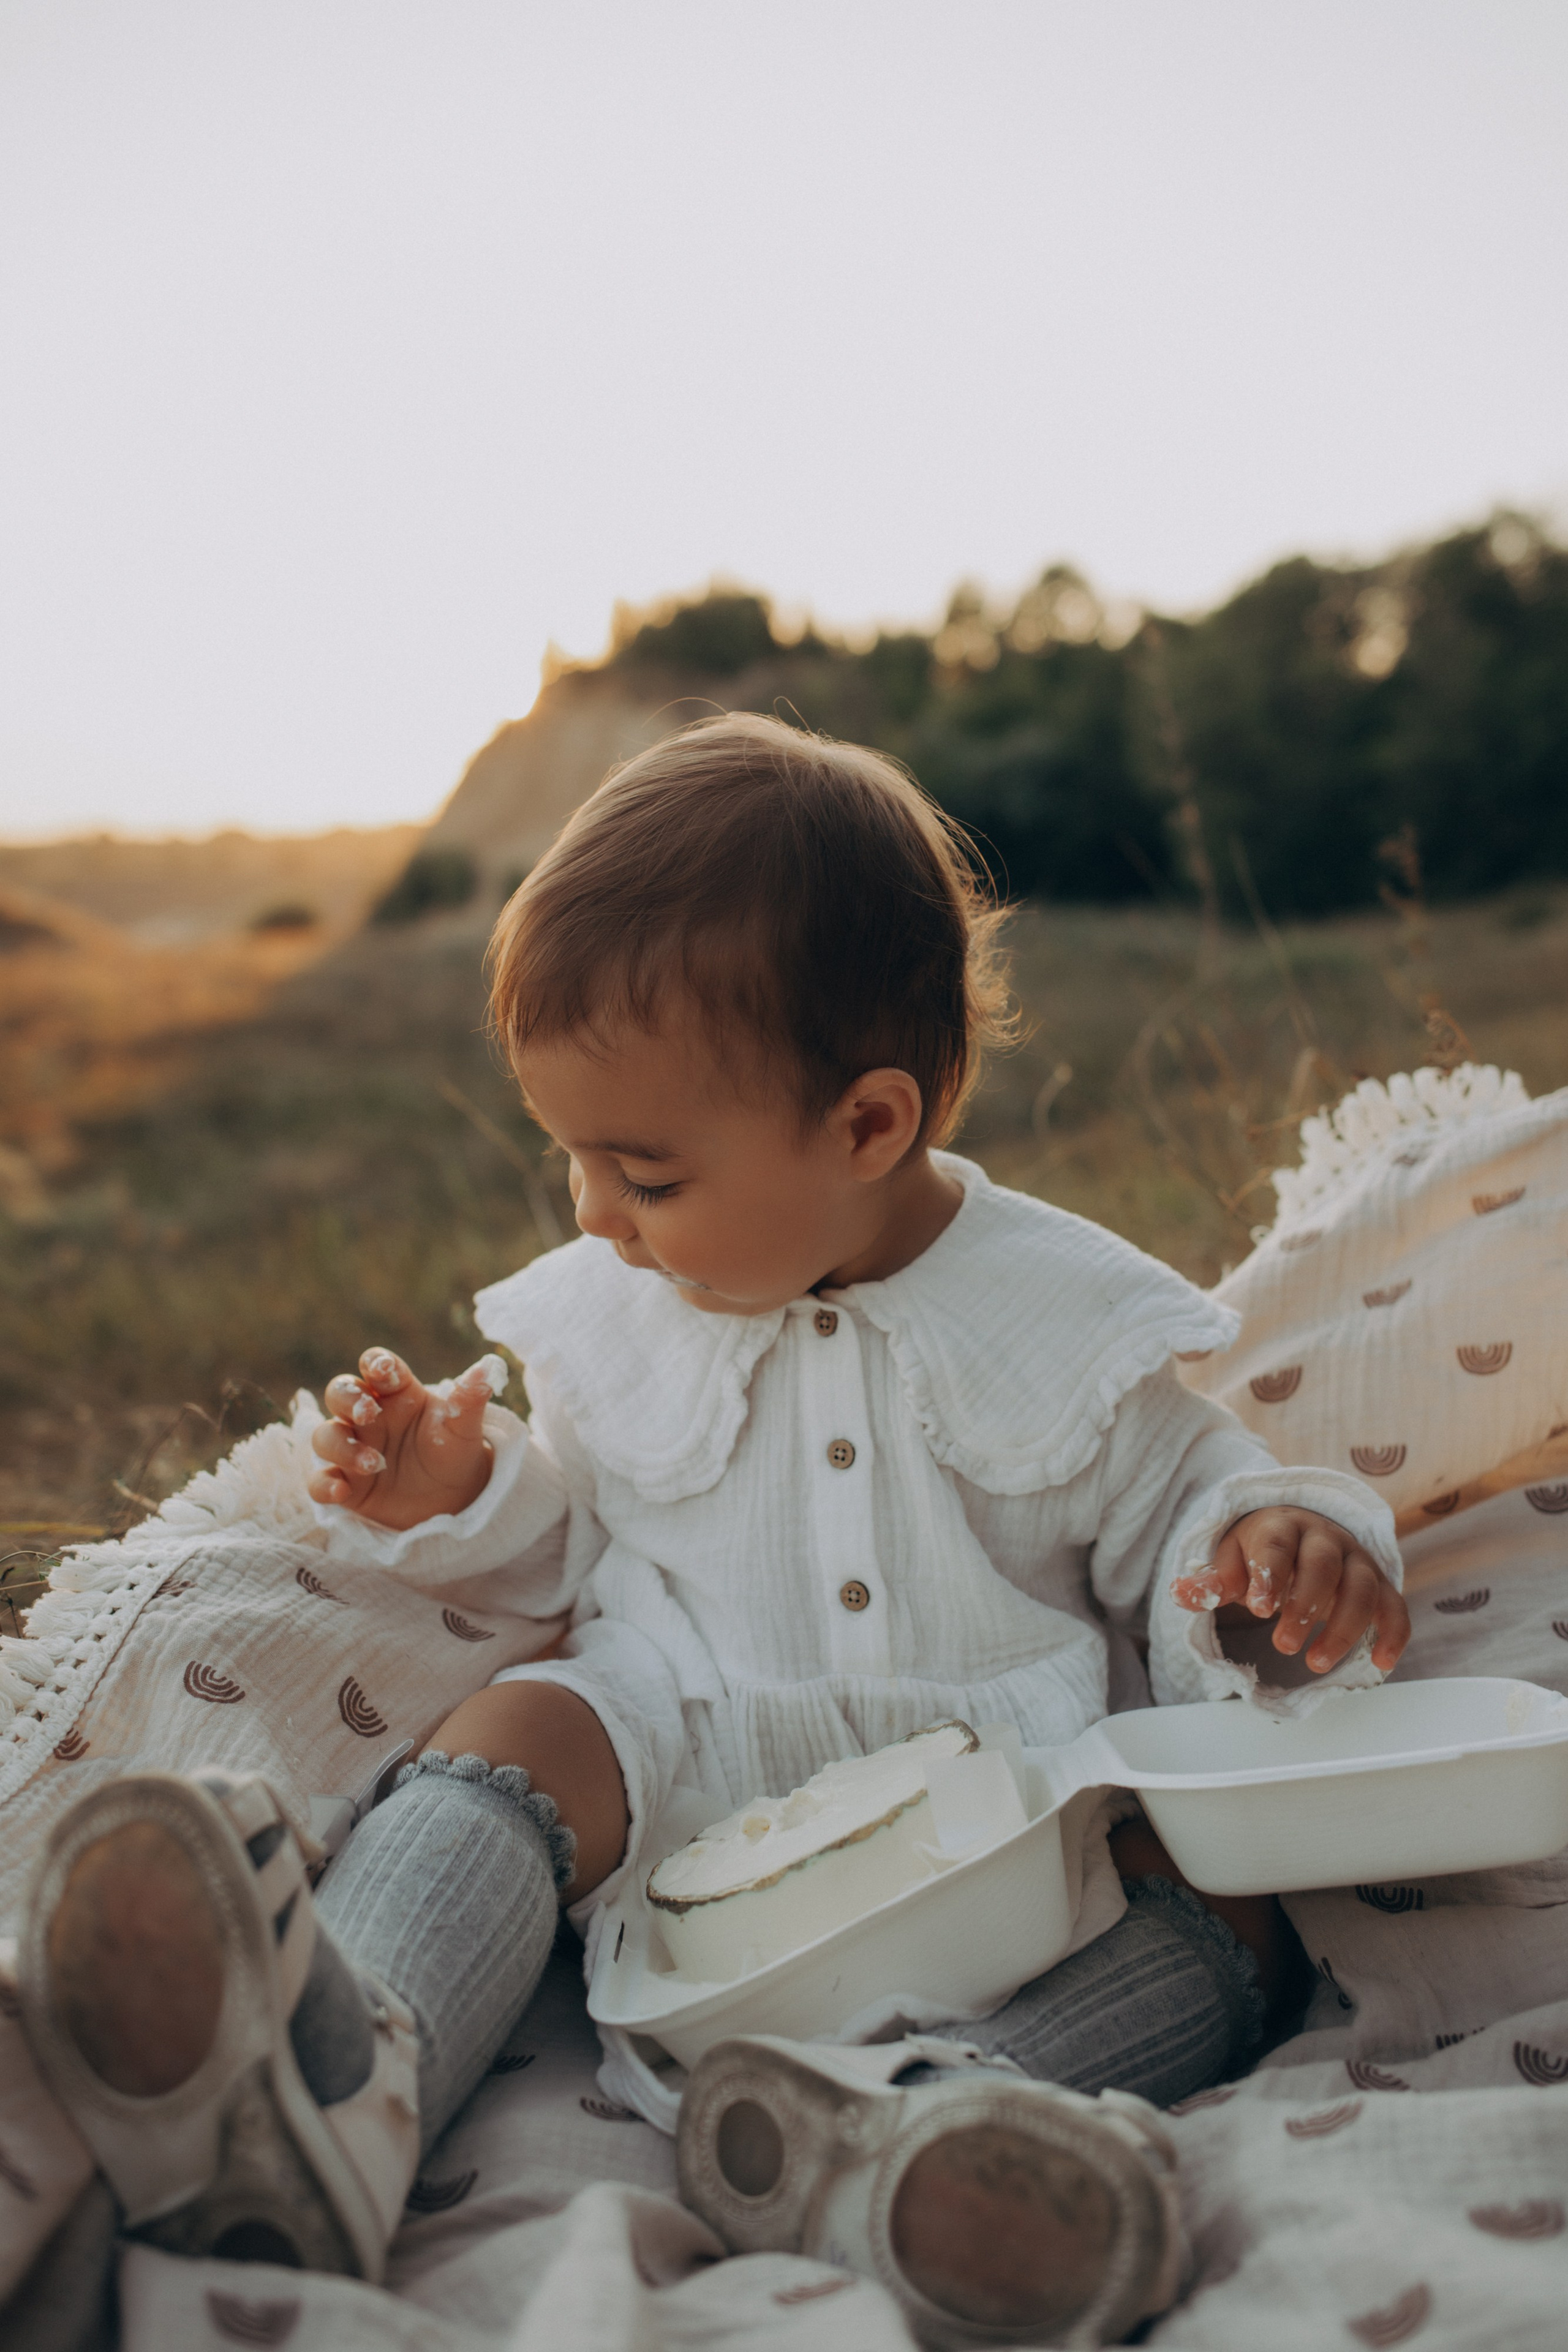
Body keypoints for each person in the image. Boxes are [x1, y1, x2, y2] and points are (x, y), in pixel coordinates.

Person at [18, 716, 1408, 2346]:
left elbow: (1191, 1509)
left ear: (868, 1127)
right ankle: (344, 2082)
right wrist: (461, 1495)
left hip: (1009, 1813)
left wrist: (1271, 1550)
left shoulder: (1061, 1317)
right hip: (690, 1747)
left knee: (1229, 1895)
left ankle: (945, 2125)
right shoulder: (622, 1314)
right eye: (570, 1160)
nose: (594, 1216)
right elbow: (574, 1555)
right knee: (519, 1723)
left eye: (645, 1174)